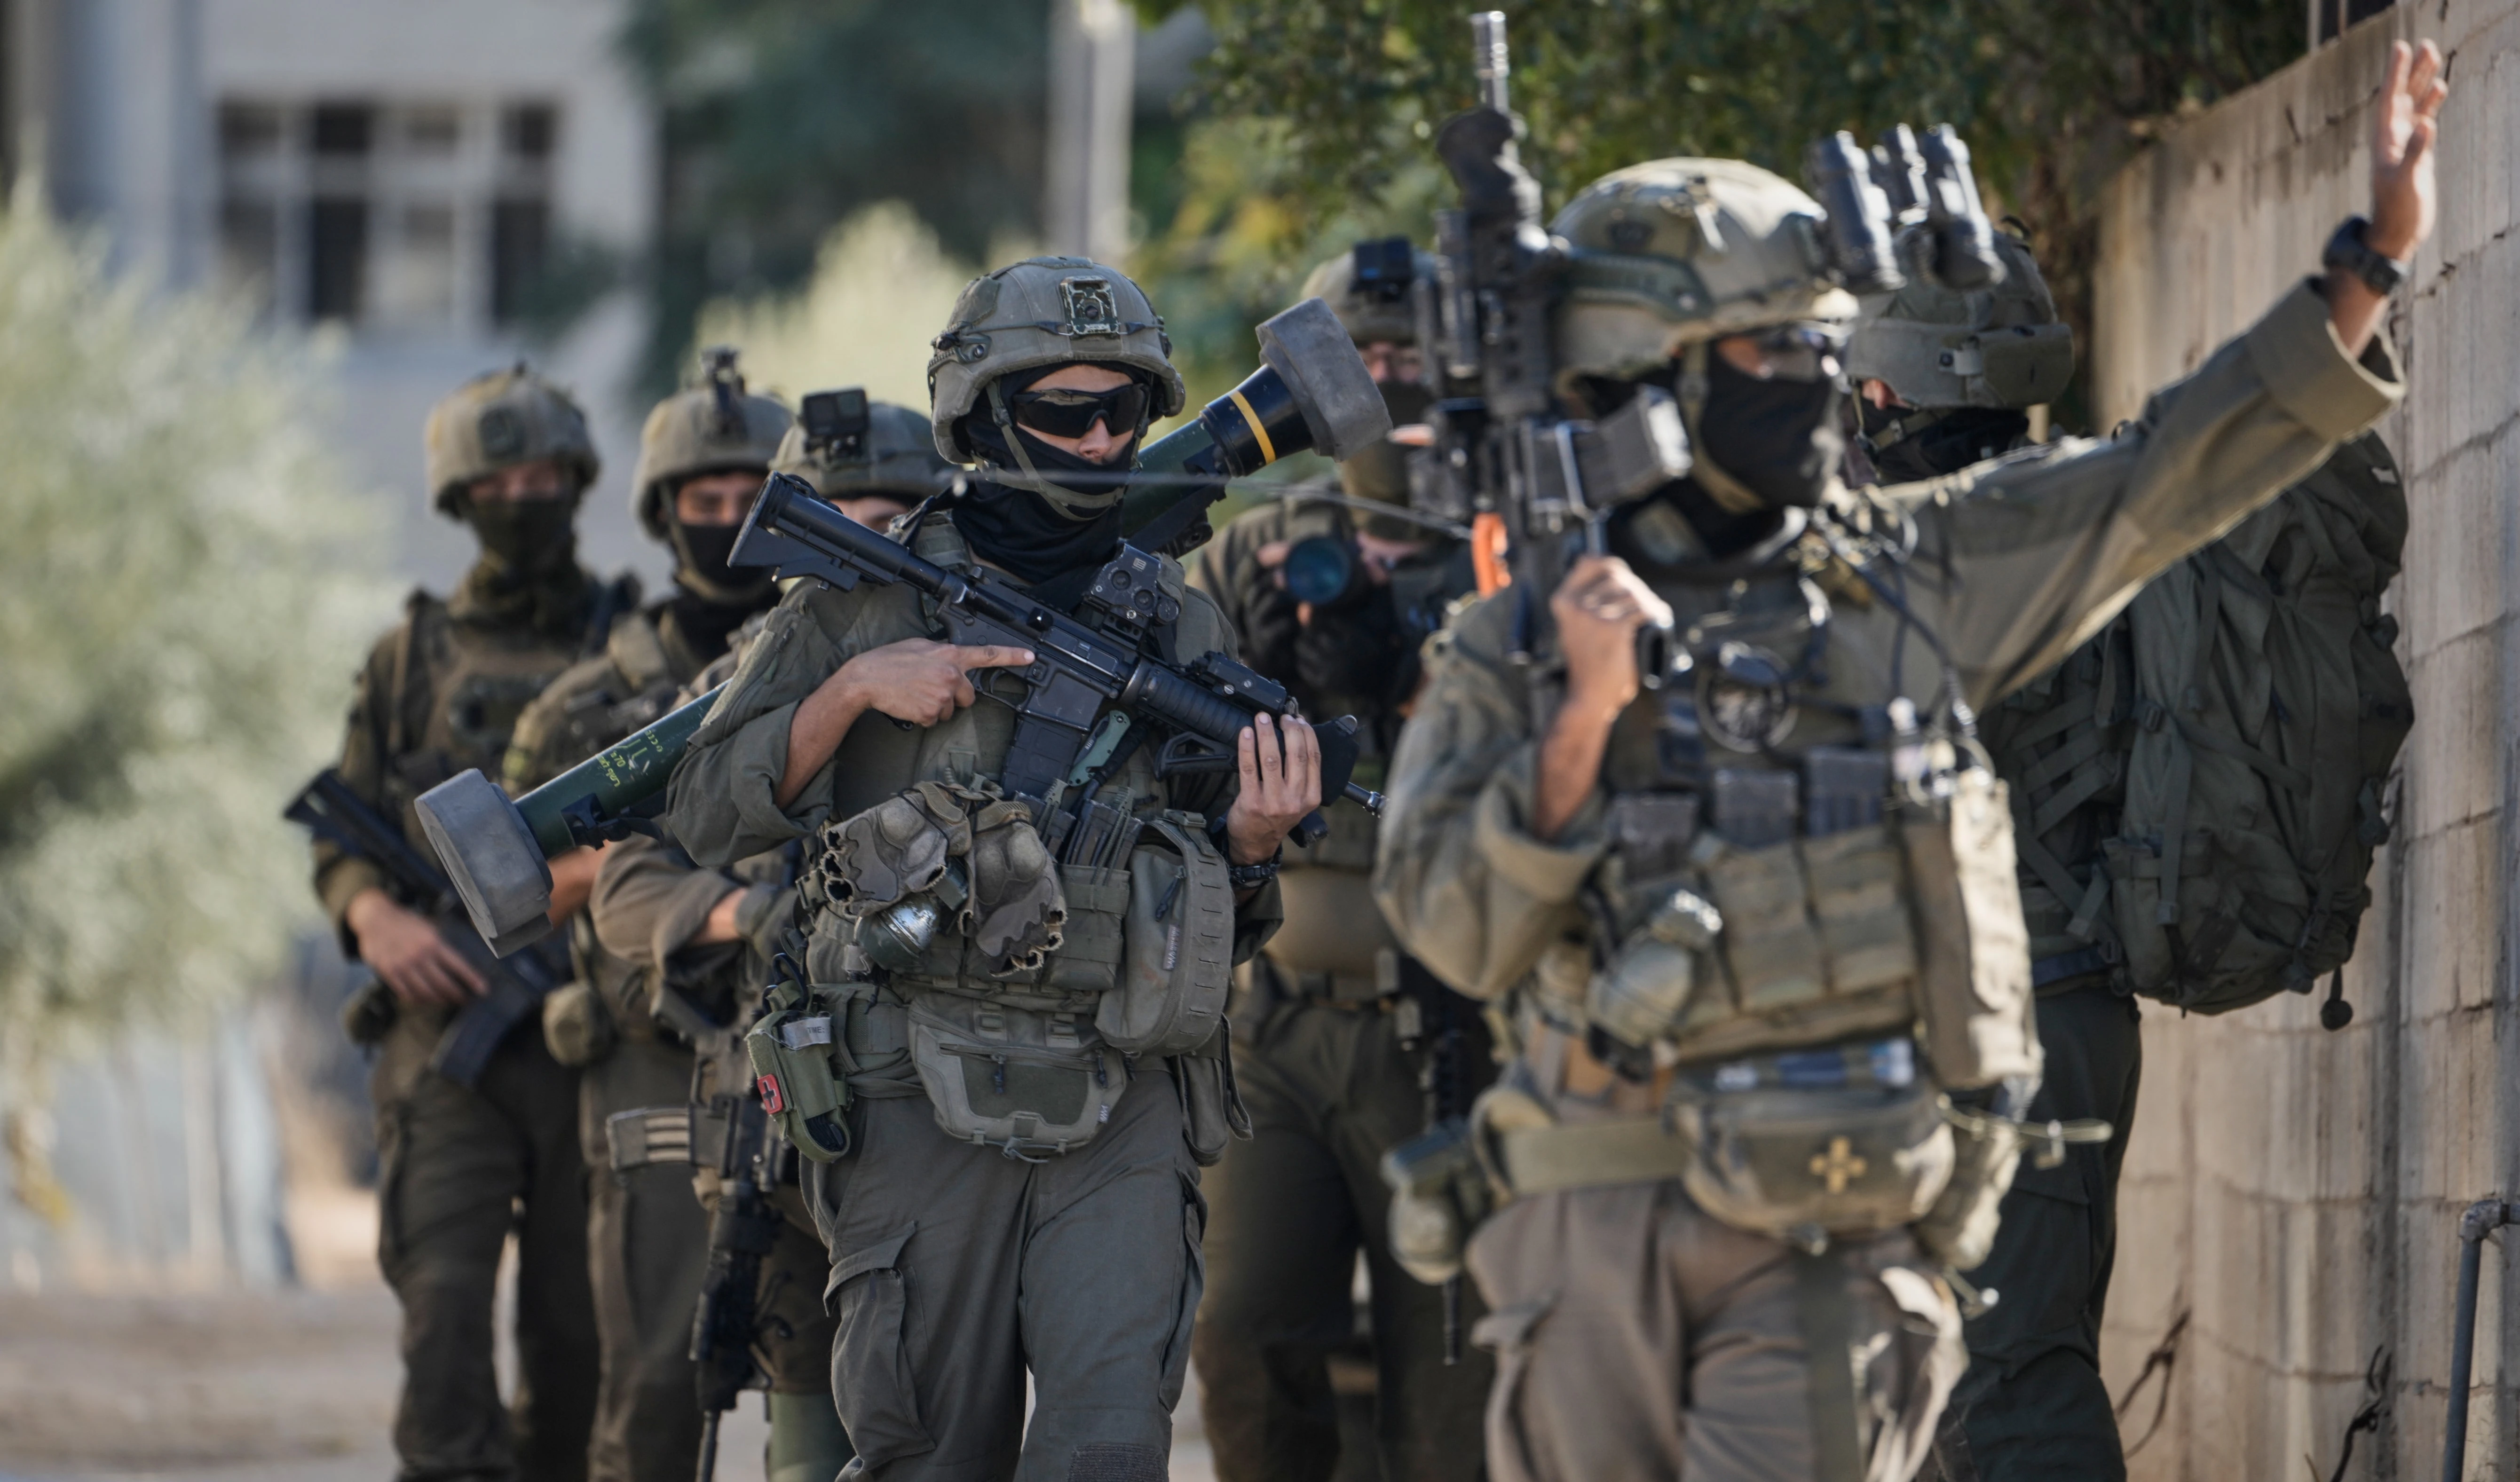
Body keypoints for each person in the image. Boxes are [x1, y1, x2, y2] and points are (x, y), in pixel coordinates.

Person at [1371, 40, 2443, 1482]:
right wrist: (1577, 721)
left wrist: (2360, 266)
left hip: (1827, 1217)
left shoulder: (1898, 574)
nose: (1819, 378)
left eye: (1823, 344)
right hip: (1588, 1214)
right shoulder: (1524, 629)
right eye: (1774, 350)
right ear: (1653, 376)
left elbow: (2155, 480)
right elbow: (1450, 927)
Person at [662, 256, 1321, 1480]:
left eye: (1120, 414)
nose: (1094, 439)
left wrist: (1250, 843)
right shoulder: (858, 605)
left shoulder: (1173, 622)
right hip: (912, 1086)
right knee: (929, 1453)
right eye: (1059, 413)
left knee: (1106, 1451)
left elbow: (1231, 914)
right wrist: (855, 694)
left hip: (1122, 1086)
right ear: (981, 414)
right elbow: (700, 813)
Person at [1847, 232, 2410, 1482]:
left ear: (1884, 390)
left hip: (2009, 1030)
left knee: (2006, 1391)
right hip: (2027, 1018)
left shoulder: (1949, 549)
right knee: (1943, 1394)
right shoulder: (2069, 510)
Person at [579, 395, 953, 1482]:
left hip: (940, 1121)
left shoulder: (976, 675)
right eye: (841, 521)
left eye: (894, 518)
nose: (869, 544)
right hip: (781, 1121)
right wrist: (751, 912)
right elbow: (627, 887)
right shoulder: (731, 692)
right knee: (807, 1442)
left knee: (940, 1420)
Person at [1189, 244, 1494, 1482]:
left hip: (1456, 1021)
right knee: (1245, 1333)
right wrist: (1242, 679)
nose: (1385, 384)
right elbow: (1146, 754)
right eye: (1360, 362)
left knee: (1455, 1368)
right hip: (1273, 1027)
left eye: (1409, 358)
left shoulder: (1504, 548)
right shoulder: (1258, 556)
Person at [312, 364, 625, 1482]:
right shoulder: (409, 657)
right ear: (462, 496)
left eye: (546, 475)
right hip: (443, 1037)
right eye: (502, 479)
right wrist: (374, 919)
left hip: (587, 1032)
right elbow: (342, 830)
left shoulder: (630, 640)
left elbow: (691, 817)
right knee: (441, 1313)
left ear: (579, 483)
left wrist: (578, 881)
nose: (526, 495)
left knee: (579, 1342)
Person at [503, 349, 790, 1482]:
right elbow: (508, 873)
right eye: (702, 502)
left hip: (807, 1049)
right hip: (650, 1053)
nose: (725, 522)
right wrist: (633, 868)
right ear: (663, 513)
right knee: (658, 1389)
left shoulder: (824, 664)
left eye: (748, 500)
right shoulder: (589, 703)